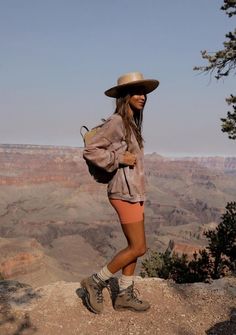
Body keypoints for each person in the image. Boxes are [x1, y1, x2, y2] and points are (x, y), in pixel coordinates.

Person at [81, 72, 159, 313]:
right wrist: (118, 158)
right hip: (123, 194)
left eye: (144, 92)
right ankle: (95, 281)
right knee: (138, 247)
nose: (142, 96)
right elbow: (91, 151)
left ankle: (124, 293)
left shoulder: (131, 122)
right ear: (125, 96)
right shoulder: (116, 121)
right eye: (137, 92)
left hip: (135, 193)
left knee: (135, 245)